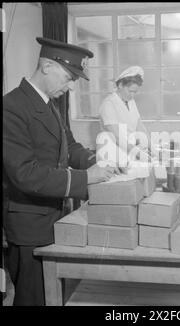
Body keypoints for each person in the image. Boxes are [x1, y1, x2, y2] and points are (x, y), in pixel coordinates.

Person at [3, 37, 119, 306]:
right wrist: (86, 178)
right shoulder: (11, 107)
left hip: (55, 215)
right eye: (68, 78)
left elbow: (70, 146)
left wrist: (99, 159)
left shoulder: (49, 103)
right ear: (46, 66)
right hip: (29, 223)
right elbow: (25, 173)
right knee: (34, 297)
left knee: (55, 293)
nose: (69, 88)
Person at [97, 66, 152, 166]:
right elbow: (117, 138)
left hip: (129, 154)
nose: (132, 96)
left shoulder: (130, 102)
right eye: (130, 91)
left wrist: (151, 147)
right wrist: (138, 153)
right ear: (120, 85)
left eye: (135, 92)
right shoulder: (109, 104)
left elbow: (140, 127)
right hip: (113, 157)